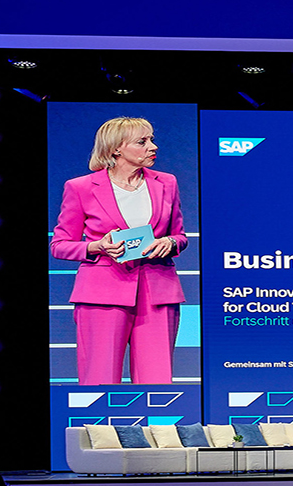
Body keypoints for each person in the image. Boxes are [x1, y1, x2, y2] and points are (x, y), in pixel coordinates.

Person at [50, 116, 190, 386]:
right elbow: (60, 245)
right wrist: (97, 246)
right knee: (99, 380)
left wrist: (171, 243)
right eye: (142, 142)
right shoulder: (80, 187)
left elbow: (180, 236)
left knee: (157, 384)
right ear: (116, 148)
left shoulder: (167, 183)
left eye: (151, 140)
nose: (153, 147)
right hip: (102, 293)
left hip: (158, 292)